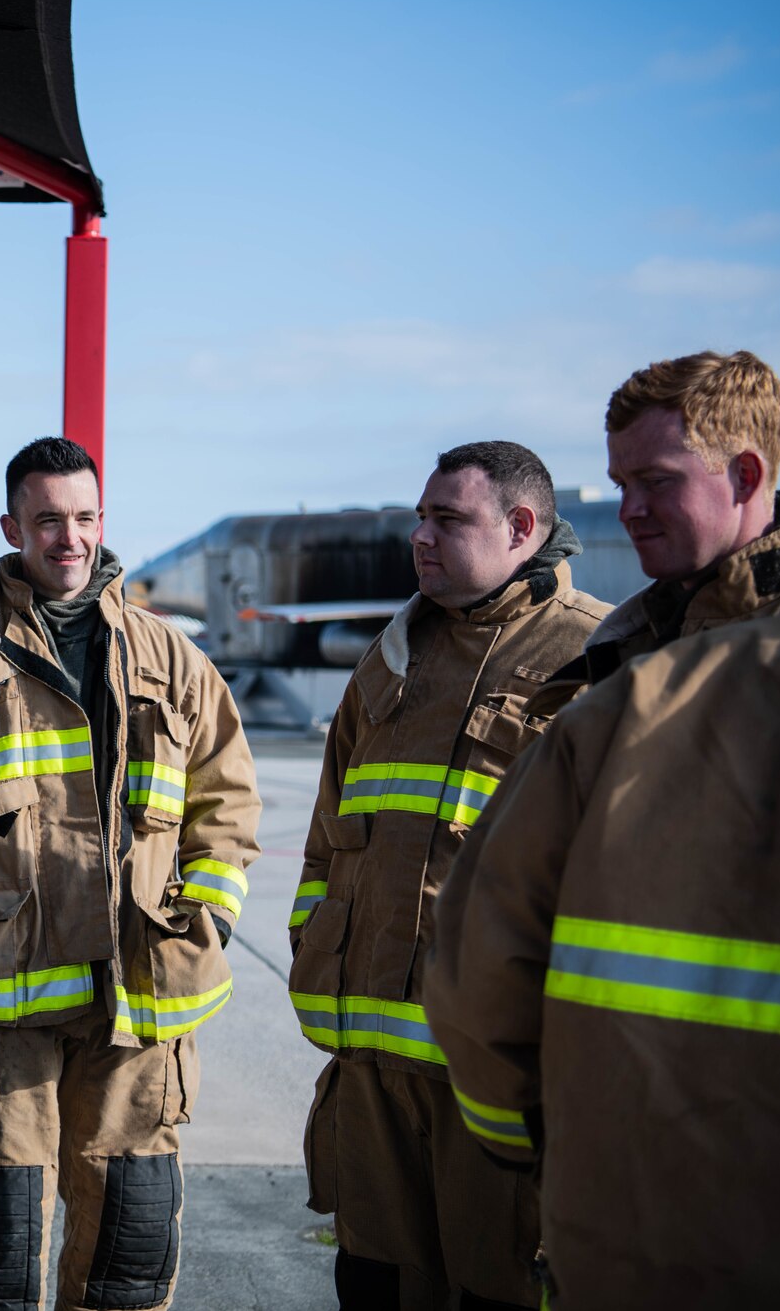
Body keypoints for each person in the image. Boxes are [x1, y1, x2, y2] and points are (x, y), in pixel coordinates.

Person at [0, 437, 260, 1311]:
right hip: (1, 1007)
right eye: (47, 520)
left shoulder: (169, 656)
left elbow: (227, 797)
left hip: (140, 992)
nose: (68, 537)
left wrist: (210, 918)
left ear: (102, 522)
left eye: (83, 517)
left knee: (129, 1233)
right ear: (12, 528)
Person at [423, 557, 780, 1309]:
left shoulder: (626, 676)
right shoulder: (616, 665)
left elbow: (481, 956)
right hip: (605, 1201)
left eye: (654, 478)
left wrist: (531, 1141)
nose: (629, 507)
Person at [287, 442, 609, 1310]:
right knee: (376, 1287)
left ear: (520, 527)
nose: (421, 537)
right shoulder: (389, 661)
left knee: (497, 1289)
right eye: (419, 518)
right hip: (372, 1082)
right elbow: (325, 843)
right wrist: (316, 948)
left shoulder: (597, 662)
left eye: (448, 519)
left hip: (497, 1091)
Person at [538, 349, 780, 708]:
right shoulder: (625, 643)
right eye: (622, 485)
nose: (628, 512)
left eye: (656, 481)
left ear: (745, 477)